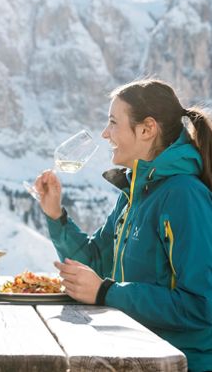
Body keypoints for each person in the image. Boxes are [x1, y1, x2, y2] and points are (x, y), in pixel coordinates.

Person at [33, 79, 212, 372]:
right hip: (136, 356)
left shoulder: (184, 196)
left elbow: (200, 306)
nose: (105, 134)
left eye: (113, 123)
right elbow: (96, 263)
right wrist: (56, 216)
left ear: (146, 129)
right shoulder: (134, 194)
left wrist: (107, 292)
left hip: (181, 363)